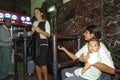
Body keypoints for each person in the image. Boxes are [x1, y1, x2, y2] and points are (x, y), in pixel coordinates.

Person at [31, 7, 50, 80]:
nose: (35, 14)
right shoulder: (34, 23)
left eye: (37, 12)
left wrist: (40, 31)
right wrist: (32, 31)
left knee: (42, 63)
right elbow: (31, 35)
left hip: (43, 43)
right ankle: (39, 78)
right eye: (35, 12)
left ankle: (45, 78)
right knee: (37, 63)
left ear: (41, 13)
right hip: (35, 44)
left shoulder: (46, 22)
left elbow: (48, 35)